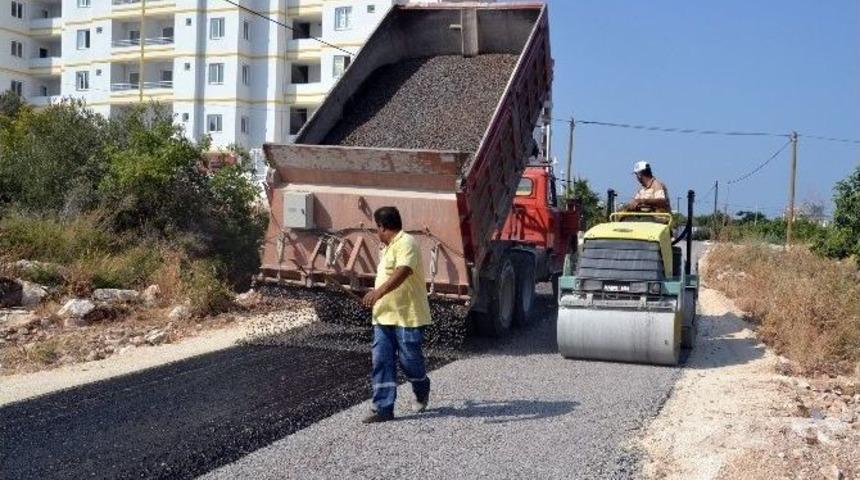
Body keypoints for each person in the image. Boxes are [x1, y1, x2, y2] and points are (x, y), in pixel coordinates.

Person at [361, 206, 432, 423]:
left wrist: (378, 292)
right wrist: (375, 298)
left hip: (407, 315)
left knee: (409, 361)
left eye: (377, 228)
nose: (377, 232)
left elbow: (404, 271)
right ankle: (383, 408)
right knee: (381, 360)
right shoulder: (387, 247)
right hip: (383, 316)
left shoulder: (406, 243)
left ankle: (422, 387)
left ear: (382, 227)